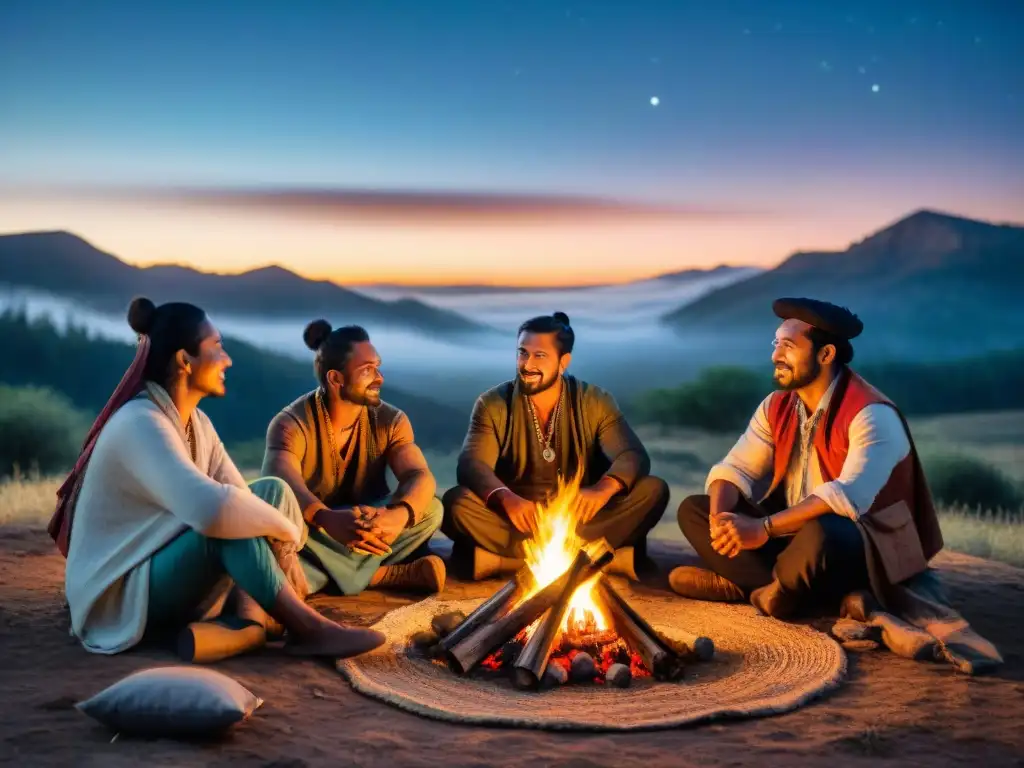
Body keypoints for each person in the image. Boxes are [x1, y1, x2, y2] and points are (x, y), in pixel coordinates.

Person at [54, 297, 385, 660]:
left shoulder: (197, 424)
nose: (227, 359)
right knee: (224, 529)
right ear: (184, 361)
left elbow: (243, 497)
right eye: (217, 347)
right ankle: (309, 629)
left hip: (162, 566)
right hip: (122, 596)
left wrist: (275, 522)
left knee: (272, 491)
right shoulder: (141, 423)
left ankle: (253, 618)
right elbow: (214, 511)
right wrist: (289, 531)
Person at [670, 297, 944, 619]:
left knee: (822, 532)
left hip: (866, 548)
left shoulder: (871, 414)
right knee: (695, 510)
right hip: (792, 543)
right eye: (776, 344)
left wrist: (763, 528)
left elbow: (845, 497)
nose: (775, 356)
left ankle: (751, 586)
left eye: (788, 346)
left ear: (826, 354)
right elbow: (735, 468)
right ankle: (784, 590)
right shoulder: (776, 405)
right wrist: (720, 520)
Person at [442, 312, 670, 580]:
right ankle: (594, 559)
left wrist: (602, 490)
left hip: (580, 520)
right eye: (522, 353)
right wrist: (506, 498)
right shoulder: (493, 403)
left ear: (563, 362)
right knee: (456, 503)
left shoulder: (594, 400)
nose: (526, 365)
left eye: (539, 355)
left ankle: (509, 563)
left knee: (653, 490)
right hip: (518, 523)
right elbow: (472, 464)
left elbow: (632, 455)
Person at [262, 320, 445, 596]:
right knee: (279, 531)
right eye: (367, 370)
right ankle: (382, 574)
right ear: (336, 379)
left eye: (377, 367)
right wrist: (327, 519)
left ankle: (310, 577)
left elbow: (418, 475)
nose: (379, 377)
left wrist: (398, 515)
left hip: (371, 523)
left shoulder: (391, 420)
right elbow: (283, 485)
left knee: (431, 508)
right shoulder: (290, 424)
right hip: (316, 529)